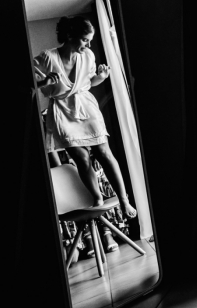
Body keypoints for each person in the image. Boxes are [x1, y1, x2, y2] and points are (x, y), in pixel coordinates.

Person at [34, 16, 137, 218]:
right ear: (70, 35)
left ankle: (124, 200)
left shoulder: (88, 55)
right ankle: (97, 198)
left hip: (86, 106)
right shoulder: (47, 57)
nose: (88, 44)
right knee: (81, 157)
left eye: (90, 40)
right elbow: (29, 80)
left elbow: (89, 82)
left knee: (103, 152)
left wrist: (101, 77)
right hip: (62, 110)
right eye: (84, 40)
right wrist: (44, 81)